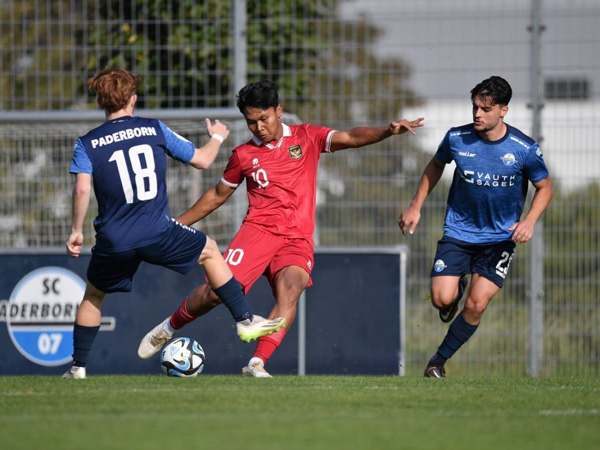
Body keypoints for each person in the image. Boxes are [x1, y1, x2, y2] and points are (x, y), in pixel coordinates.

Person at [138, 80, 424, 377]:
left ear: (279, 110)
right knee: (215, 294)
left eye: (264, 118)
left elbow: (351, 137)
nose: (259, 127)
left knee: (291, 289)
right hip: (256, 234)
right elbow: (217, 195)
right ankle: (168, 326)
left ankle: (256, 363)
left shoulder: (307, 137)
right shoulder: (243, 155)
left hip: (296, 239)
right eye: (251, 122)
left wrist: (387, 132)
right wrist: (173, 225)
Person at [62, 69, 284, 379]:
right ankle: (245, 321)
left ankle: (78, 368)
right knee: (209, 250)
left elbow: (82, 188)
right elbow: (203, 160)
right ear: (133, 99)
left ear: (101, 101)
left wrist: (76, 230)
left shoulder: (86, 143)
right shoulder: (153, 129)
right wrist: (218, 136)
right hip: (157, 230)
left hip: (114, 239)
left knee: (94, 296)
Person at [399, 76, 553, 378]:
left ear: (503, 111)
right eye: (475, 108)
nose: (477, 114)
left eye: (485, 109)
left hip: (499, 239)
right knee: (442, 299)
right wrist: (415, 205)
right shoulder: (457, 138)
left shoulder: (524, 148)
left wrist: (530, 221)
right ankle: (455, 289)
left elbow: (545, 187)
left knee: (476, 305)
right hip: (459, 233)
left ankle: (437, 362)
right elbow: (436, 165)